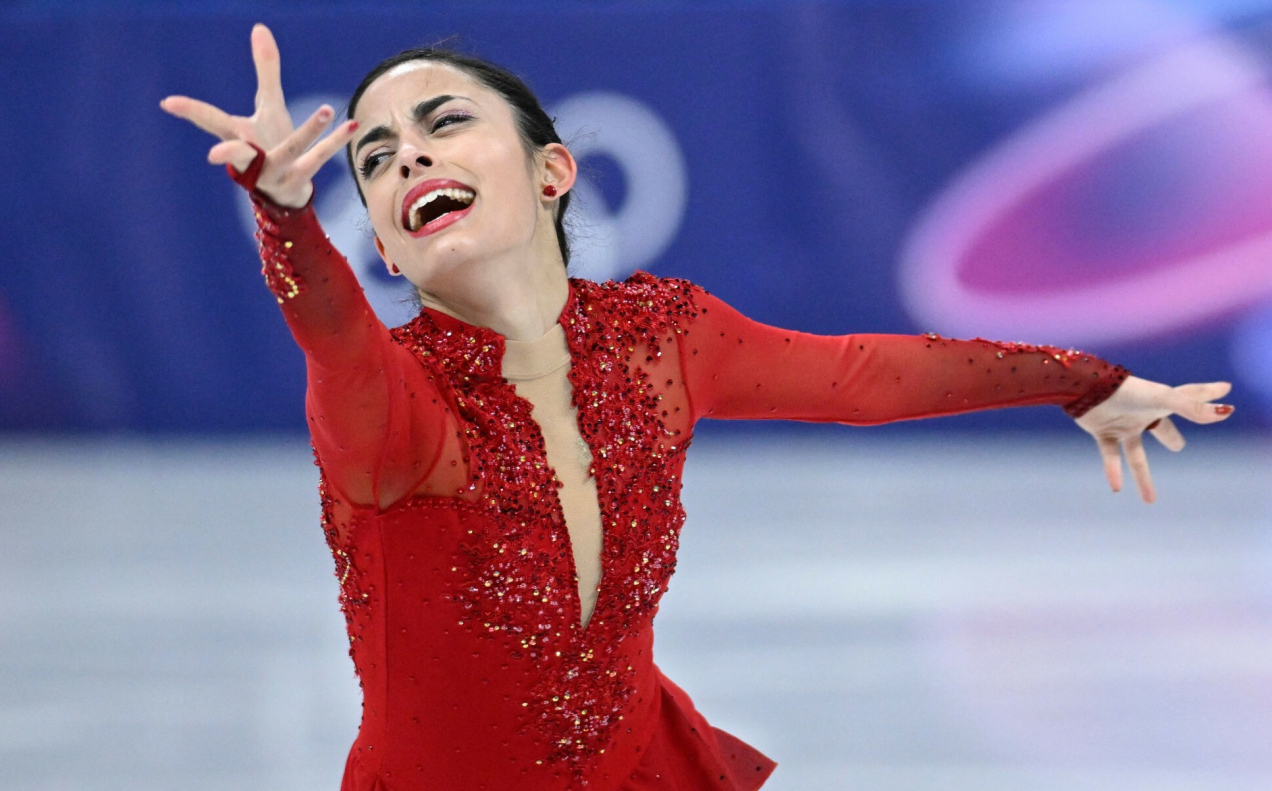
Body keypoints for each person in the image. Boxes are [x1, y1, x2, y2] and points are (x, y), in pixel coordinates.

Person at [161, 24, 1234, 791]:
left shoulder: (658, 337)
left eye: (444, 123)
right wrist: (285, 215)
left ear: (553, 170)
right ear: (386, 246)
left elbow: (861, 374)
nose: (411, 155)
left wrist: (1079, 377)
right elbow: (335, 339)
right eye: (377, 158)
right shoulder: (397, 413)